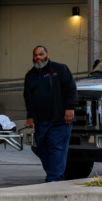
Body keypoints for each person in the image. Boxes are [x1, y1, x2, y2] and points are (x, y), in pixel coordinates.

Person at [23, 45, 77, 182]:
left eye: (41, 54)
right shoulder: (30, 75)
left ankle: (54, 179)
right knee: (42, 149)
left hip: (59, 120)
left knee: (56, 148)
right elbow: (28, 97)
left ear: (47, 54)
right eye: (35, 55)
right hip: (41, 121)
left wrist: (70, 107)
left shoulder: (60, 69)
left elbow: (71, 88)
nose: (38, 58)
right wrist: (30, 116)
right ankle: (54, 175)